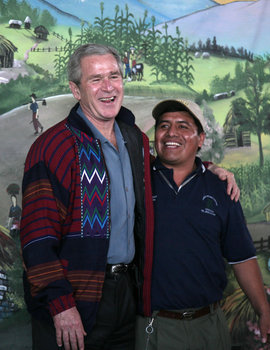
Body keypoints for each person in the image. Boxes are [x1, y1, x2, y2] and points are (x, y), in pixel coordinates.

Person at [20, 44, 239, 350]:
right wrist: (60, 305)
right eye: (96, 79)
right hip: (76, 298)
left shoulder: (133, 139)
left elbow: (161, 169)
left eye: (114, 76)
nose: (108, 87)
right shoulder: (53, 148)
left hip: (127, 295)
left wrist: (207, 168)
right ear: (76, 89)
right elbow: (36, 239)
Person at [135, 99, 270, 350]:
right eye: (164, 126)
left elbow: (241, 258)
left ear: (200, 139)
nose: (171, 133)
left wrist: (264, 311)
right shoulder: (137, 181)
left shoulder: (221, 189)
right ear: (155, 135)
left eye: (183, 126)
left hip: (209, 325)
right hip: (154, 326)